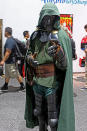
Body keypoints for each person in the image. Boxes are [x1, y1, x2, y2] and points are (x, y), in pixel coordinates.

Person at [24, 3, 75, 131]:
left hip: (52, 83)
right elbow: (29, 53)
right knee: (39, 114)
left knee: (53, 120)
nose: (48, 21)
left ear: (56, 18)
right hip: (37, 82)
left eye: (51, 18)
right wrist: (30, 59)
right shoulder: (35, 35)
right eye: (46, 17)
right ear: (41, 17)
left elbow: (64, 67)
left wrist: (59, 54)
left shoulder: (61, 36)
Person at [0, 27, 25, 91]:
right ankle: (5, 85)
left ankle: (22, 86)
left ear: (6, 32)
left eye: (4, 31)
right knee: (7, 74)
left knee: (16, 74)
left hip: (11, 61)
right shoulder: (10, 39)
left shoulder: (10, 41)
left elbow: (8, 52)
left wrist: (3, 60)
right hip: (9, 61)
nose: (4, 33)